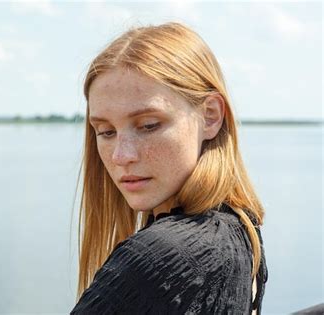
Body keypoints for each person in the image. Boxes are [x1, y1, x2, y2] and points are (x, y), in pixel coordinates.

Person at [70, 22, 268, 314]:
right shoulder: (241, 229)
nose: (121, 156)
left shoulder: (162, 254)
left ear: (210, 116)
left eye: (149, 125)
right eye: (106, 132)